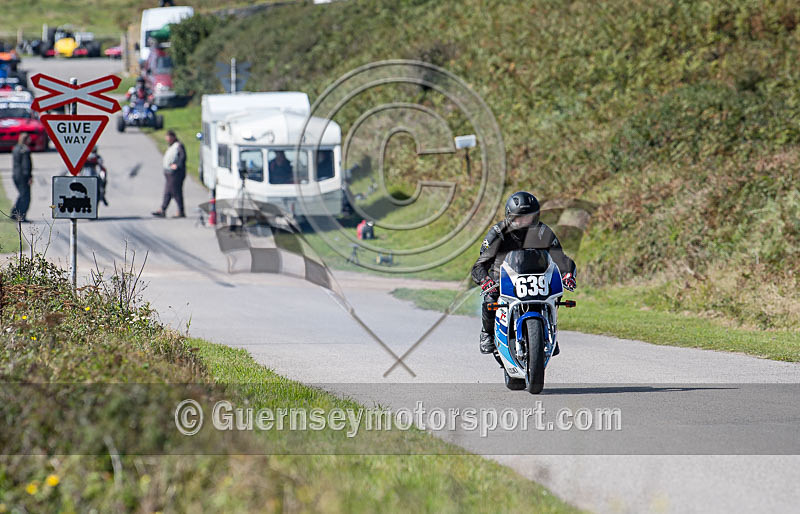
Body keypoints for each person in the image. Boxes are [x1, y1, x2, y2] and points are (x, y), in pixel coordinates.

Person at [471, 191, 577, 354]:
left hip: (537, 277)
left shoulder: (543, 231)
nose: (524, 222)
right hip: (503, 279)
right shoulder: (498, 233)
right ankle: (487, 333)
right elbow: (480, 264)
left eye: (529, 217)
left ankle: (548, 331)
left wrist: (568, 274)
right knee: (490, 298)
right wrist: (485, 280)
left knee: (555, 293)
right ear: (509, 217)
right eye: (519, 218)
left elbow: (560, 258)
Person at [152, 130, 186, 218]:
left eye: (169, 137)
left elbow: (183, 157)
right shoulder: (171, 146)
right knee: (168, 192)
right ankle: (162, 210)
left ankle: (181, 211)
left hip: (176, 173)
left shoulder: (178, 146)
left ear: (173, 137)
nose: (167, 139)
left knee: (176, 192)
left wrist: (177, 165)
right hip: (169, 173)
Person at [11, 133, 32, 222]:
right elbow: (26, 165)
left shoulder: (16, 148)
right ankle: (21, 215)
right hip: (23, 176)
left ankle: (14, 213)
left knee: (21, 195)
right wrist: (29, 177)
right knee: (25, 197)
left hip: (16, 175)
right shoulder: (25, 150)